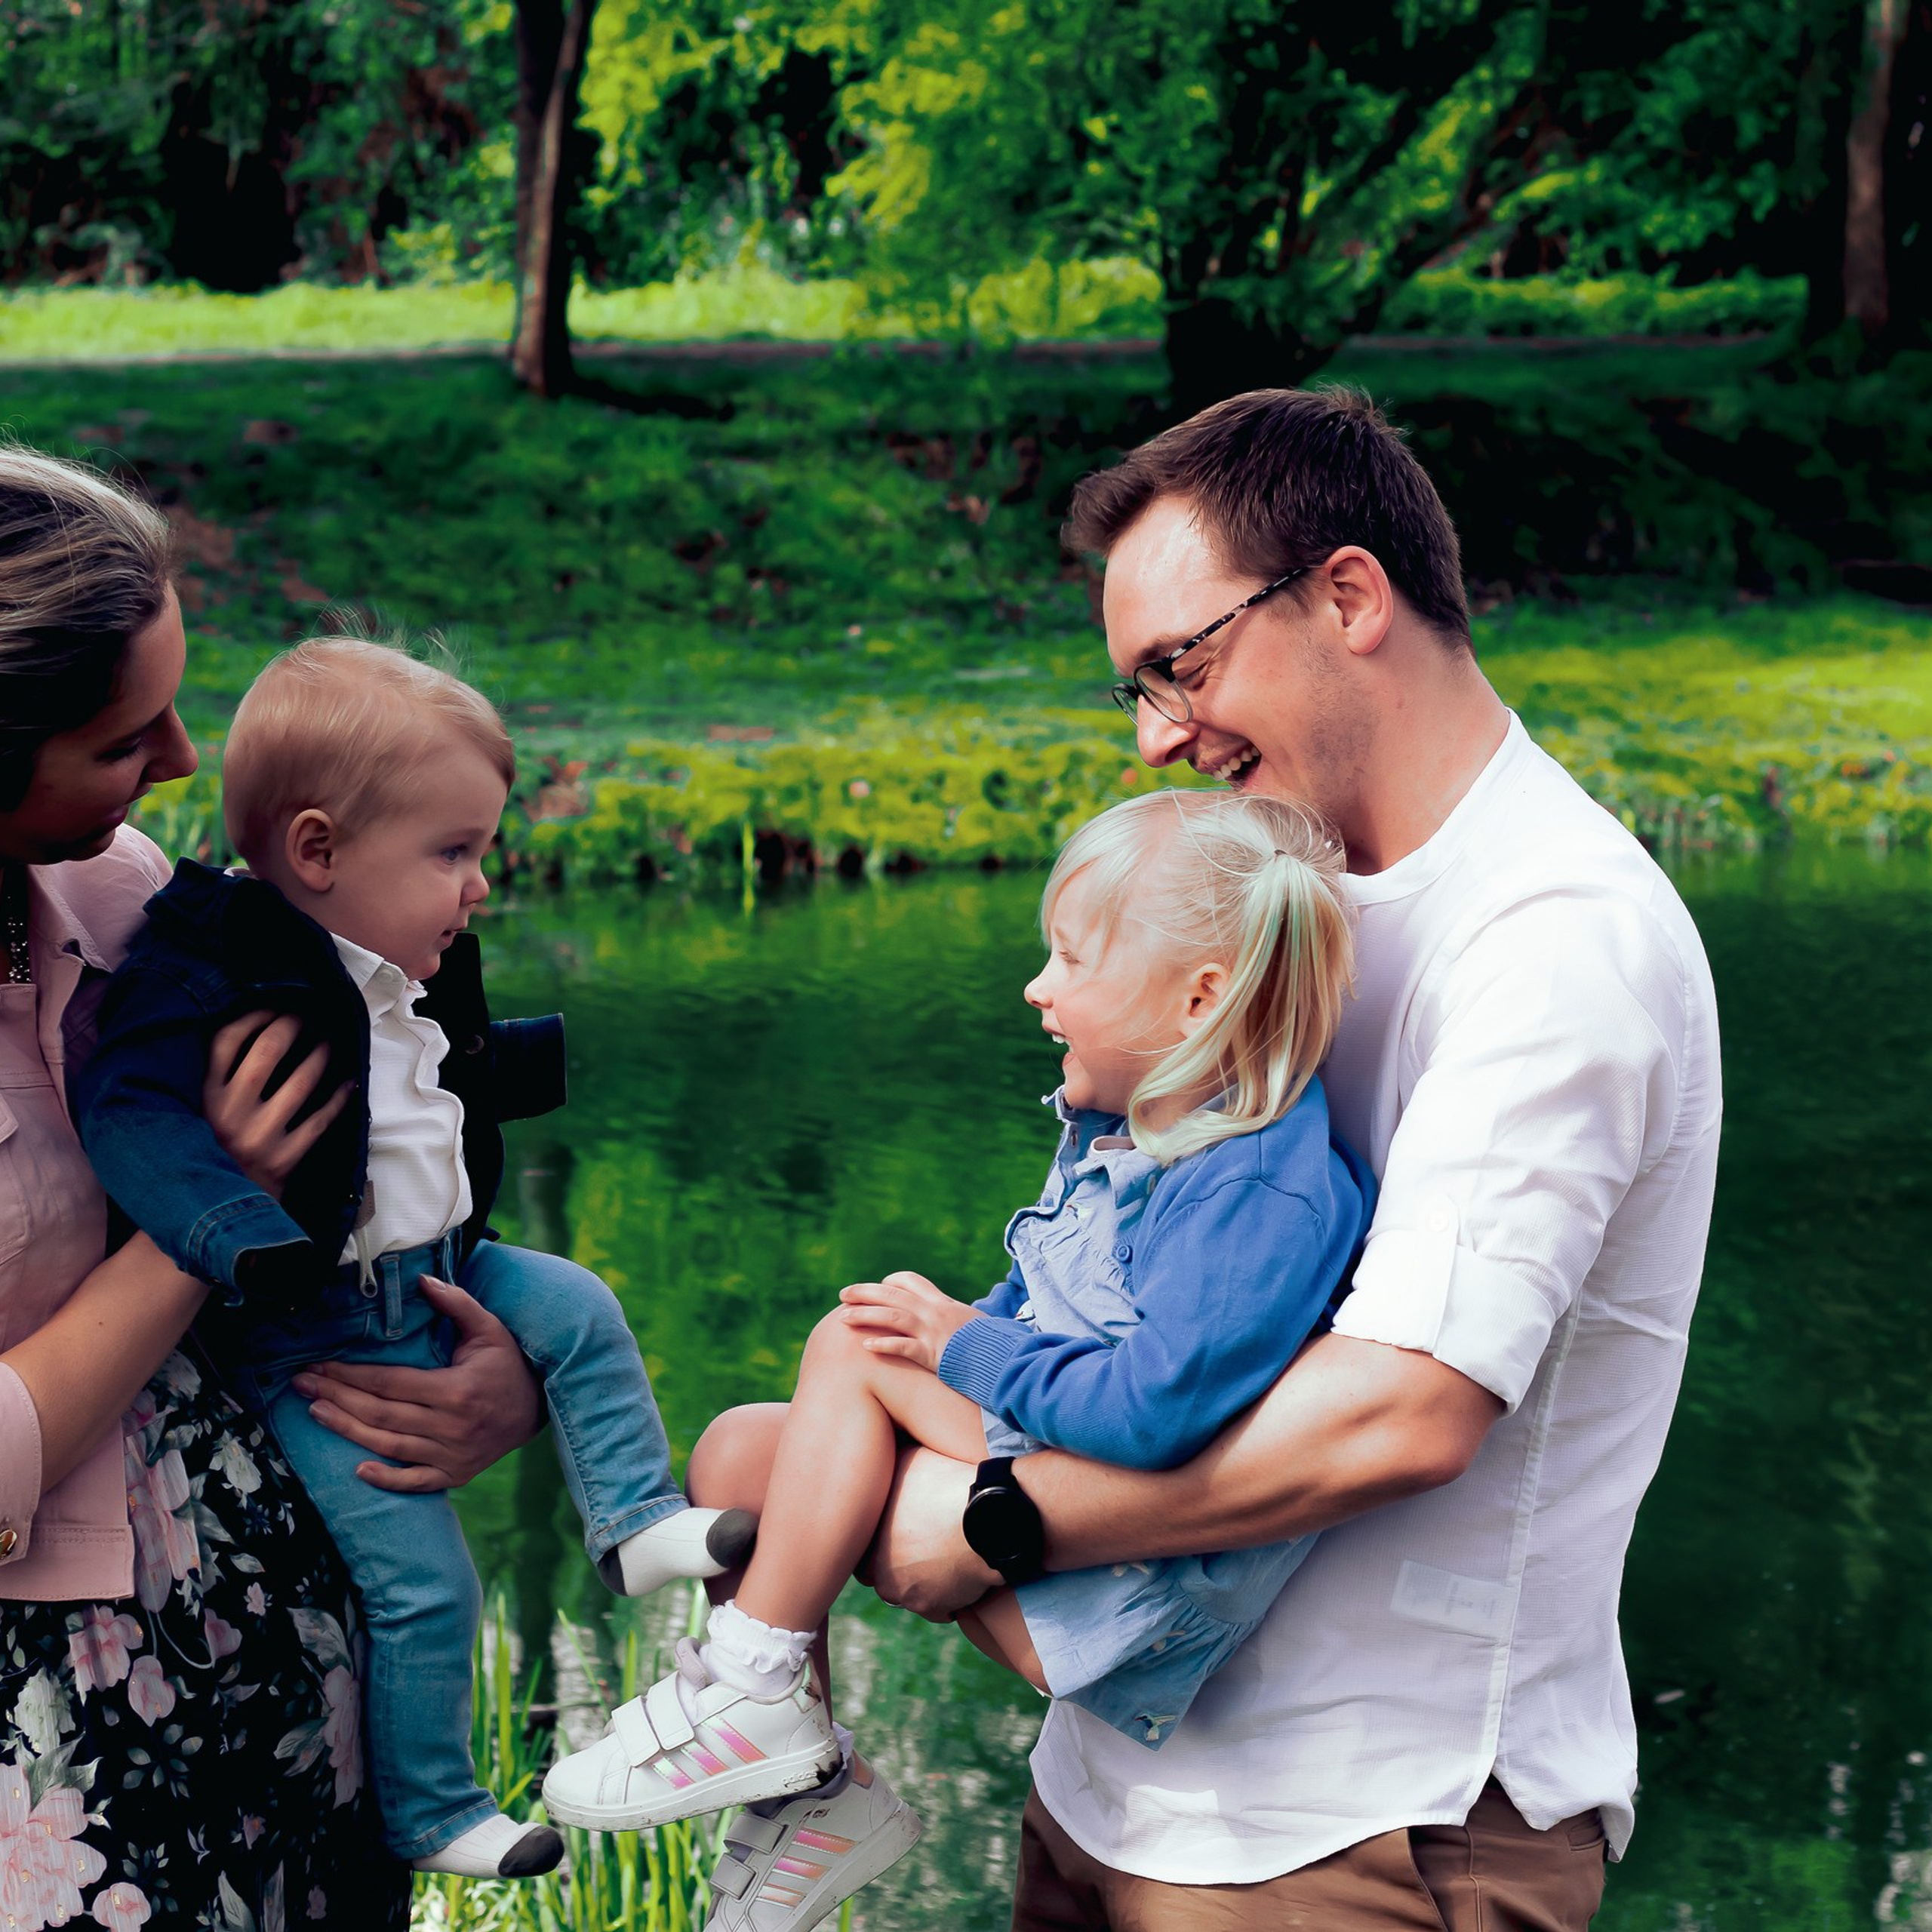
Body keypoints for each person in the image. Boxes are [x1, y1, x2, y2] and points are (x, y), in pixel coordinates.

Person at [682, 387, 1724, 1932]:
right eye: (1133, 690)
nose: (1159, 731)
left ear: (1348, 596)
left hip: (1358, 1836)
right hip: (1112, 1790)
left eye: (1181, 663)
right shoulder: (1269, 899)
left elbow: (1400, 1409)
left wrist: (985, 1517)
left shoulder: (1547, 936)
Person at [545, 787, 1375, 1927]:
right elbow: (1042, 1310)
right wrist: (966, 1338)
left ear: (1199, 999)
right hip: (1056, 1494)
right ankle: (811, 1792)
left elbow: (1157, 1412)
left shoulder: (1257, 1186)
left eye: (1071, 960)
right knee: (743, 1453)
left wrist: (960, 1345)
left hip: (1125, 1593)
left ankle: (754, 1680)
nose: (1038, 986)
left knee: (857, 1342)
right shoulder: (1140, 1135)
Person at [71, 635, 759, 1880]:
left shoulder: (388, 961)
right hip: (309, 1323)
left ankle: (639, 1520)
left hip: (439, 1265)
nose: (482, 887)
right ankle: (435, 1812)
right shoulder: (212, 957)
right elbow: (135, 1117)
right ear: (320, 852)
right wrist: (237, 1228)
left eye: (481, 852)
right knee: (429, 1590)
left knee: (583, 1304)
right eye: (454, 855)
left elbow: (440, 1083)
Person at [0, 446, 544, 1927]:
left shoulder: (131, 909)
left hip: (286, 1680)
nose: (180, 762)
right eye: (124, 738)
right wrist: (210, 1207)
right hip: (52, 1759)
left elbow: (401, 1124)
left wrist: (483, 1378)